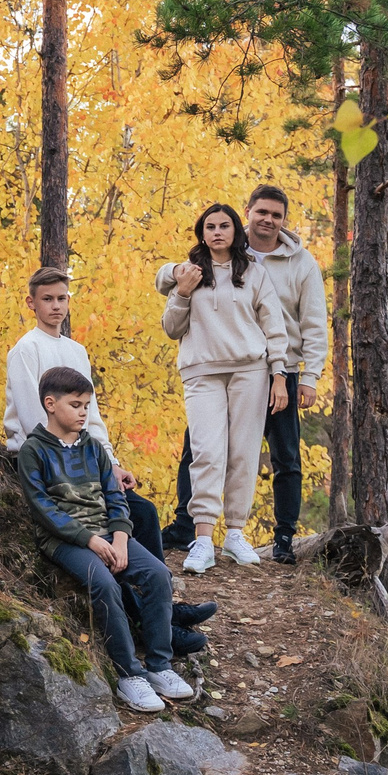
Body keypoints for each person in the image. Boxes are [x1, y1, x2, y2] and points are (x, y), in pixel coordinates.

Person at [4, 266, 216, 656]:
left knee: (143, 512)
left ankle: (164, 609)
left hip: (84, 455)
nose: (55, 306)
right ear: (31, 303)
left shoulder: (76, 351)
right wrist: (76, 458)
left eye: (62, 298)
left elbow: (91, 416)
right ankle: (153, 623)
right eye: (47, 299)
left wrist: (111, 464)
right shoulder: (25, 350)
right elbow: (36, 416)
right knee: (116, 528)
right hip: (47, 461)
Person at [163, 186, 332, 563]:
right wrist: (174, 275)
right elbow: (171, 284)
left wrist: (308, 376)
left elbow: (313, 322)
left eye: (276, 215)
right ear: (248, 214)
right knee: (200, 449)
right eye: (262, 212)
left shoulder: (300, 263)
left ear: (283, 220)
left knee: (281, 455)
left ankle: (283, 537)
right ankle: (188, 528)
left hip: (279, 368)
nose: (268, 219)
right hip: (214, 367)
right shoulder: (216, 253)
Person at [15, 364, 197, 712]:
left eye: (86, 405)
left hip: (108, 534)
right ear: (50, 404)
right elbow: (44, 510)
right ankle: (129, 674)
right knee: (105, 584)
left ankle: (160, 666)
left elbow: (116, 498)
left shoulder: (94, 447)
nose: (83, 412)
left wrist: (120, 539)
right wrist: (90, 540)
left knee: (158, 574)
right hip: (65, 541)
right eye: (75, 405)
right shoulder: (33, 451)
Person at [160, 202, 288, 573]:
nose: (217, 232)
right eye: (210, 227)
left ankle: (234, 534)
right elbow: (171, 328)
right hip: (201, 372)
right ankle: (202, 540)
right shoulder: (189, 273)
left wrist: (279, 374)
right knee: (206, 452)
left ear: (236, 231)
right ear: (202, 233)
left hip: (251, 371)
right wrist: (182, 290)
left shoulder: (254, 273)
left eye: (224, 226)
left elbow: (274, 326)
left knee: (244, 453)